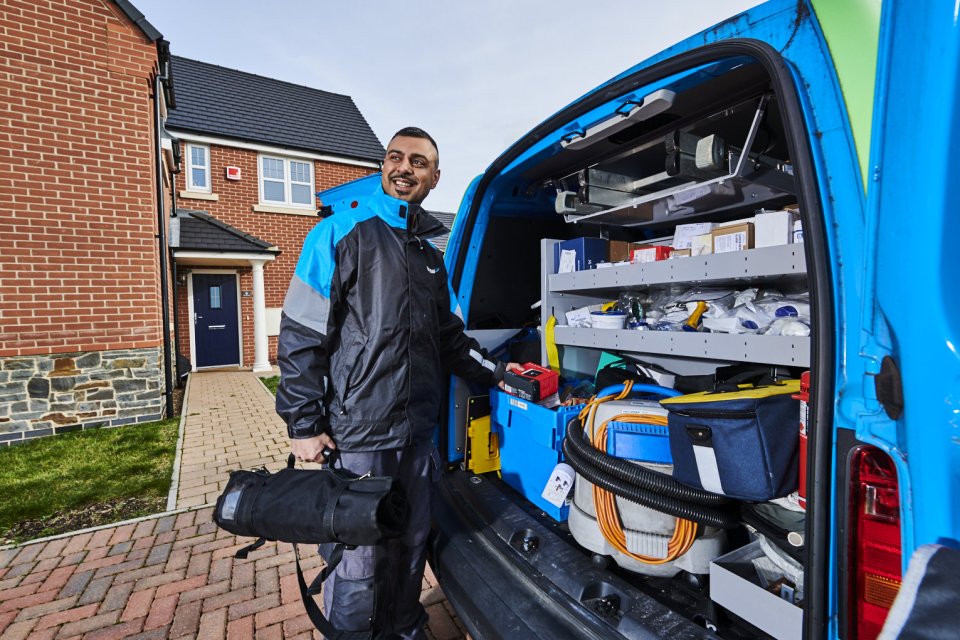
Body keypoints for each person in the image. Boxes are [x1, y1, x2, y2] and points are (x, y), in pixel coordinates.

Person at [276, 127, 519, 639]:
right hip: (358, 434)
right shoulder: (340, 233)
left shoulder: (430, 257)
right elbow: (301, 334)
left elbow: (452, 340)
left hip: (416, 433)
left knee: (410, 543)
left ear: (434, 177)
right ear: (384, 166)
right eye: (395, 157)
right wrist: (302, 422)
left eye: (419, 161)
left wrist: (500, 373)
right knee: (359, 555)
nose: (404, 167)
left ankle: (406, 628)